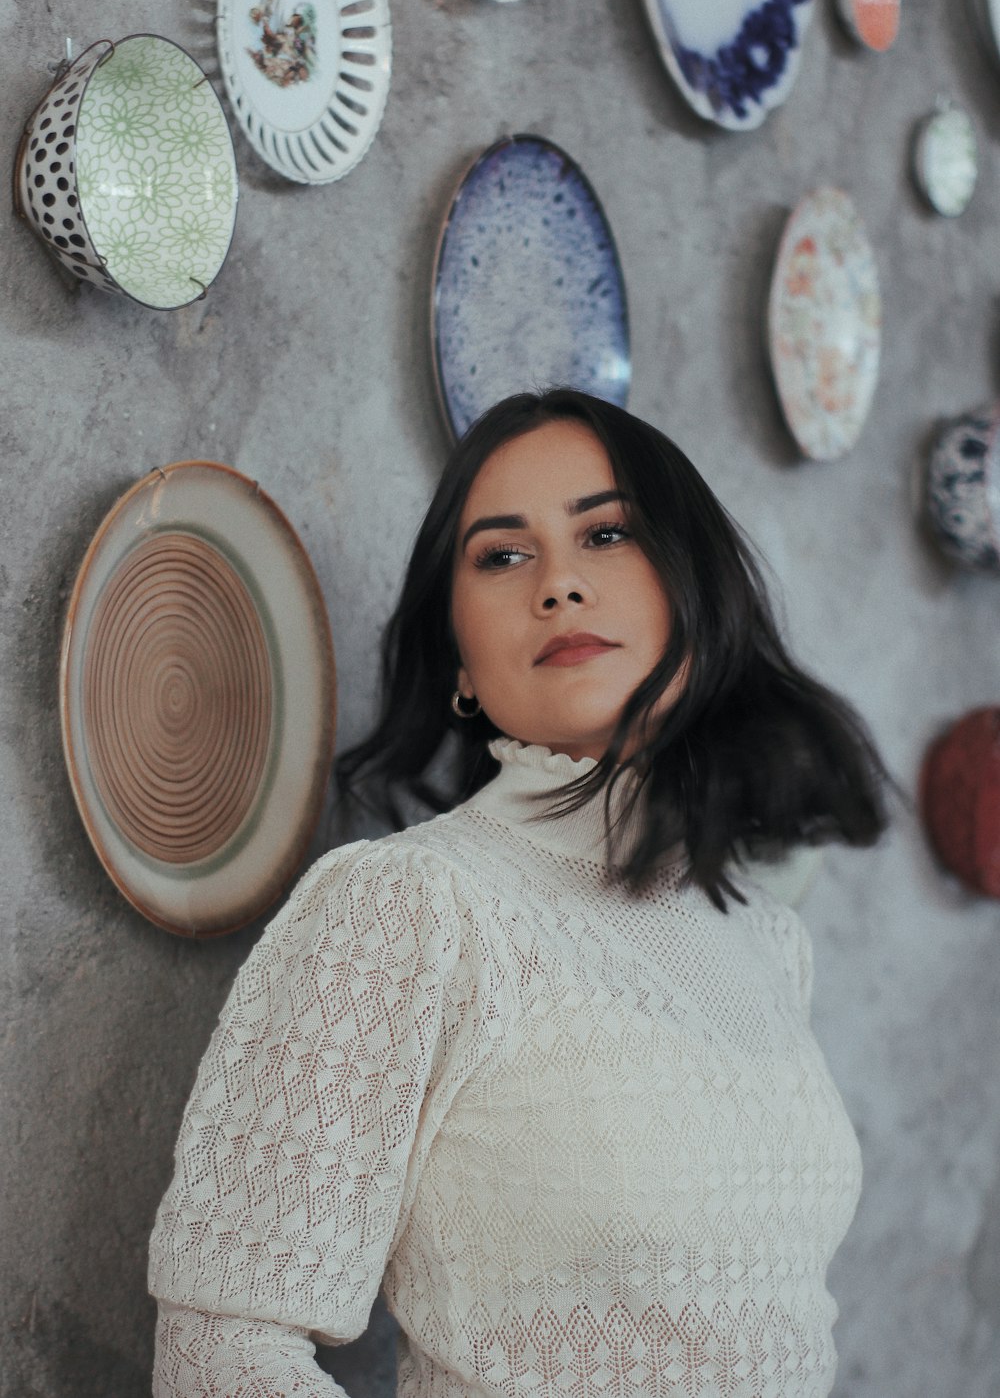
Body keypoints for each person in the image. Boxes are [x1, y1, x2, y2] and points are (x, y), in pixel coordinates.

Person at [149, 389, 888, 1397]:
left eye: (607, 533)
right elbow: (220, 1352)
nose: (558, 586)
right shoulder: (409, 909)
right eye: (502, 555)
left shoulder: (760, 937)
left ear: (693, 587)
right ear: (458, 652)